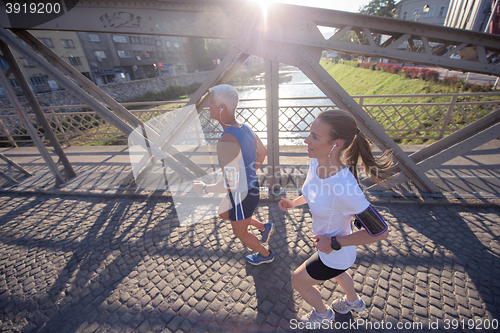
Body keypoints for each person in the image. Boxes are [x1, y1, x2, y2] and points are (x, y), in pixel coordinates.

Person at [279, 109, 393, 325]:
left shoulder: (344, 187)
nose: (306, 140)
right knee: (340, 274)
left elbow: (381, 232)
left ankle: (323, 314)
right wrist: (294, 203)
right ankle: (354, 301)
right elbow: (314, 192)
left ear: (336, 144)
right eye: (309, 134)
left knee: (297, 281)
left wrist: (334, 242)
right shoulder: (317, 161)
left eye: (314, 136)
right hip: (332, 248)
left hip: (336, 252)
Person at [194, 84, 275, 265]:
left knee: (240, 233)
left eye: (211, 103)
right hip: (250, 187)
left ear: (222, 108)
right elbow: (262, 152)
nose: (208, 107)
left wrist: (205, 189)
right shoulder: (246, 128)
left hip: (242, 195)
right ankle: (264, 227)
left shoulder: (225, 140)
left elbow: (230, 184)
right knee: (223, 212)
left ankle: (265, 254)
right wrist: (248, 172)